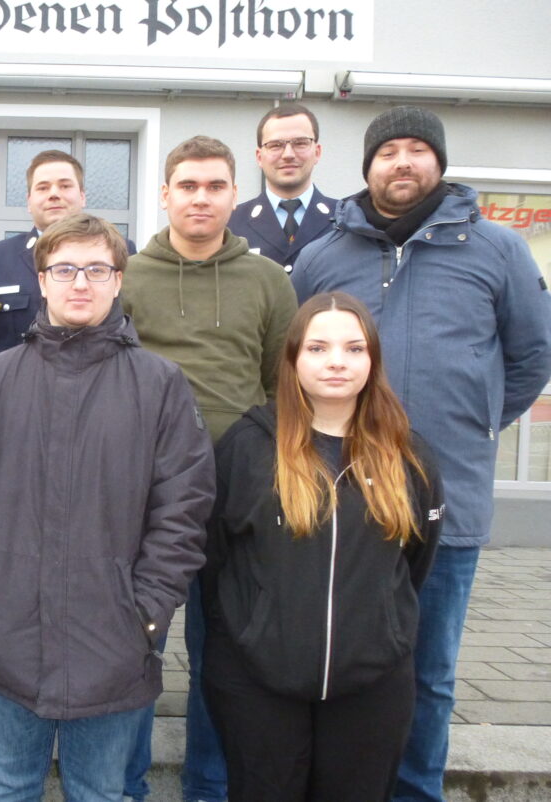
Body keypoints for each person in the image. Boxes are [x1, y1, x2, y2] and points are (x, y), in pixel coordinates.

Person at [291, 105, 551, 802]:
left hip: (447, 502)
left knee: (428, 672)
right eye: (388, 151)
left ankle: (414, 792)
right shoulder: (322, 256)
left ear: (438, 161)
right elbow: (291, 363)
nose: (402, 162)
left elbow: (529, 359)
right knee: (336, 659)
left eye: (416, 149)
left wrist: (471, 427)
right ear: (367, 165)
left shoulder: (497, 250)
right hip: (337, 500)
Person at [0, 213, 214, 801]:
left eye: (96, 269)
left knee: (102, 794)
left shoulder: (159, 384)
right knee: (8, 788)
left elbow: (183, 510)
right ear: (41, 279)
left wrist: (147, 612)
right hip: (5, 637)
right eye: (64, 269)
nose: (79, 282)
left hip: (114, 644)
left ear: (118, 280)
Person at [202, 291, 444, 801]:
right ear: (291, 359)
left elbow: (415, 565)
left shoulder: (410, 456)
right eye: (318, 348)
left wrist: (384, 625)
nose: (337, 361)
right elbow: (215, 561)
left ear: (373, 360)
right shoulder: (246, 450)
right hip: (259, 685)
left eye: (354, 349)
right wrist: (249, 633)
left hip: (371, 687)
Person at [121, 134, 297, 802]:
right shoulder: (129, 276)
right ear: (165, 194)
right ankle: (123, 785)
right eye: (188, 186)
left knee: (222, 660)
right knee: (136, 652)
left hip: (239, 501)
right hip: (143, 502)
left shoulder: (269, 280)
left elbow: (282, 387)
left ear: (235, 194)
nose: (201, 198)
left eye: (215, 186)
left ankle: (208, 789)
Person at [0, 150, 135, 371]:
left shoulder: (122, 251)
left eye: (65, 186)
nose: (54, 194)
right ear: (29, 201)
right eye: (43, 187)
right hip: (16, 394)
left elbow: (132, 330)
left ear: (82, 196)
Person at [229, 104, 337, 273]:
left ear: (317, 152)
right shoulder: (231, 223)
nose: (288, 155)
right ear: (259, 157)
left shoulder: (345, 219)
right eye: (275, 145)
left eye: (300, 143)